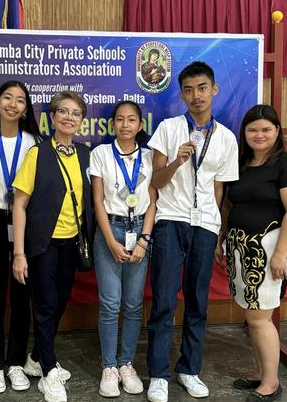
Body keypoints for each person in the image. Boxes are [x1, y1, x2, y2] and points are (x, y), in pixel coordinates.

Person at [146, 61, 239, 402]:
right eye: (188, 90)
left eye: (202, 88)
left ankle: (189, 369)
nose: (196, 95)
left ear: (214, 90)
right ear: (182, 94)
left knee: (198, 300)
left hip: (205, 226)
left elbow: (219, 189)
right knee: (164, 300)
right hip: (170, 220)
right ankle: (158, 374)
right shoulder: (169, 128)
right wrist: (177, 161)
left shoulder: (226, 137)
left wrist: (217, 231)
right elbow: (156, 182)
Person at [215, 104, 287, 402]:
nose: (259, 135)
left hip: (270, 246)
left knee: (260, 317)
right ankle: (260, 371)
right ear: (244, 132)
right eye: (253, 129)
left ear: (277, 131)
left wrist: (280, 254)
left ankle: (271, 383)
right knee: (251, 314)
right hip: (240, 245)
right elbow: (229, 204)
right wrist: (221, 237)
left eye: (266, 129)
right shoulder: (240, 163)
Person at [12, 91, 92, 402]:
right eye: (64, 111)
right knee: (45, 304)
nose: (70, 117)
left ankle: (36, 357)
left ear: (81, 121)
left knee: (60, 300)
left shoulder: (86, 154)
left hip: (72, 243)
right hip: (42, 243)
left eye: (76, 113)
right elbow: (20, 204)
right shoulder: (38, 153)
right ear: (53, 117)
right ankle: (48, 370)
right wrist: (19, 253)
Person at [0, 80, 41, 394]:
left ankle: (15, 363)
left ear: (26, 109)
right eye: (7, 98)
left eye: (20, 100)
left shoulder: (34, 143)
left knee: (21, 297)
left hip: (24, 224)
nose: (13, 104)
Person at [90, 101, 157, 398]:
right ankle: (109, 366)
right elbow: (97, 201)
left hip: (139, 231)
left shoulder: (150, 156)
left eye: (131, 120)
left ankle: (126, 363)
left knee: (133, 304)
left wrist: (144, 239)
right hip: (110, 229)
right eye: (120, 119)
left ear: (140, 124)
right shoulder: (101, 153)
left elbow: (153, 201)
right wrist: (110, 240)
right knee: (110, 303)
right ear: (113, 124)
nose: (125, 125)